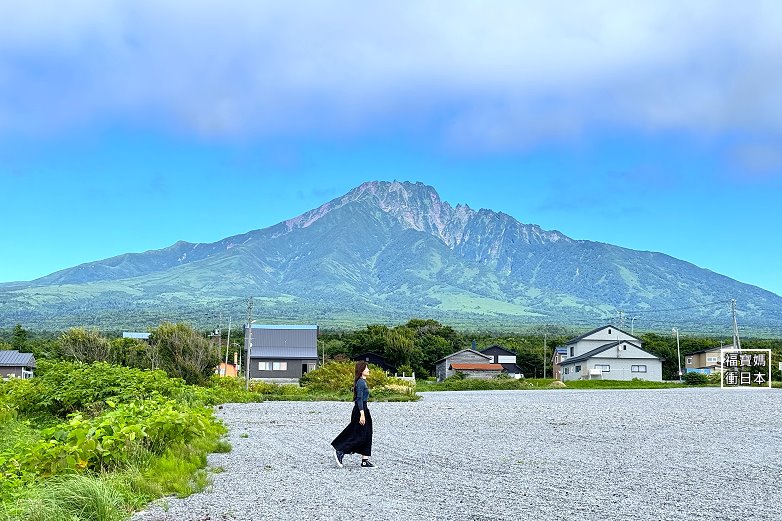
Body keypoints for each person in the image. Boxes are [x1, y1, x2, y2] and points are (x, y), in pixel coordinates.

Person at [332, 361, 375, 468]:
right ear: (361, 370)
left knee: (367, 433)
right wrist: (362, 414)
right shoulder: (360, 382)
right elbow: (359, 399)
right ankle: (340, 451)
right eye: (366, 368)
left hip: (364, 409)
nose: (368, 370)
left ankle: (365, 460)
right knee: (357, 434)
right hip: (360, 410)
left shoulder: (363, 382)